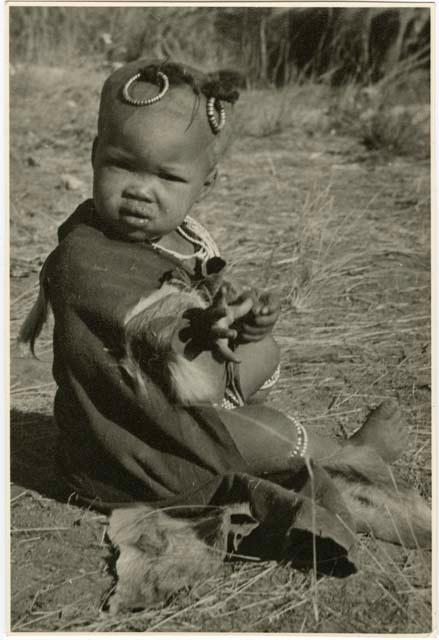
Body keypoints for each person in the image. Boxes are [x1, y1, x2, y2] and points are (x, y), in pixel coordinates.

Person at [19, 60, 429, 571]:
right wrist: (201, 331)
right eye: (122, 165)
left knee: (266, 349)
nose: (141, 190)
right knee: (265, 430)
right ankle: (347, 452)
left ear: (204, 183)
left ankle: (237, 417)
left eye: (167, 175)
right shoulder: (83, 259)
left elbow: (187, 310)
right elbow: (167, 344)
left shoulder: (169, 239)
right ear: (95, 155)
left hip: (161, 398)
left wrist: (240, 325)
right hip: (129, 453)